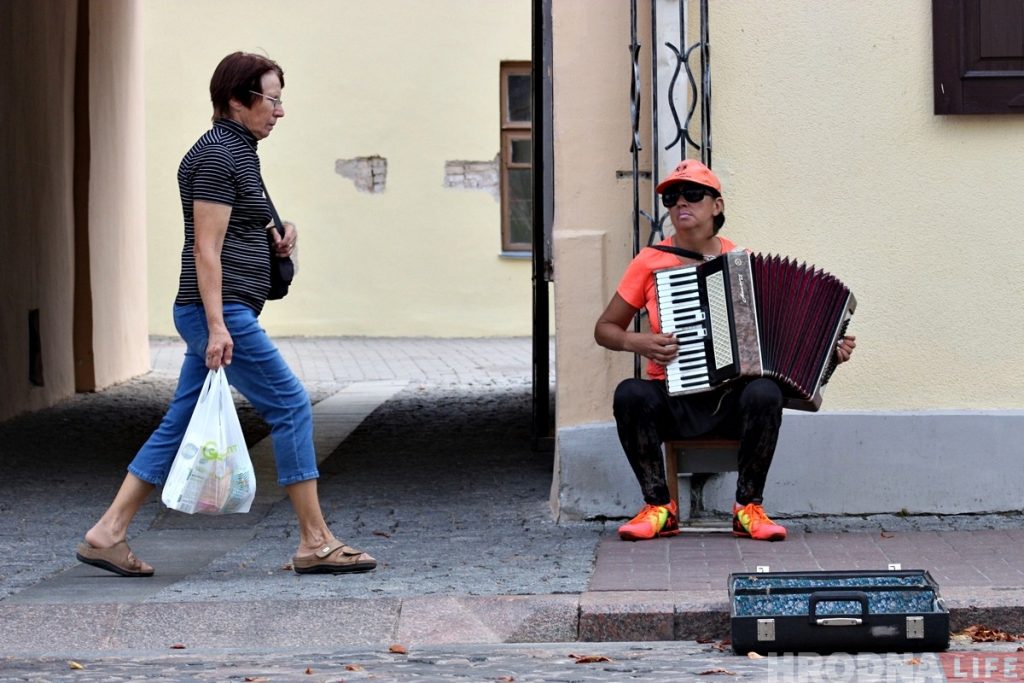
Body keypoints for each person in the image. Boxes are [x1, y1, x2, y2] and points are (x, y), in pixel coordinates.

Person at [75, 52, 376, 576]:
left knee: (179, 419)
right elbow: (205, 249)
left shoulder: (238, 152)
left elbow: (233, 234)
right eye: (272, 99)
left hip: (219, 308)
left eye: (281, 99)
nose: (280, 111)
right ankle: (315, 540)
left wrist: (275, 246)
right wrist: (217, 325)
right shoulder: (218, 155)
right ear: (237, 100)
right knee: (291, 405)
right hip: (217, 310)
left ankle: (108, 532)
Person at [594, 159, 856, 542]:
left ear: (716, 206)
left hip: (729, 404)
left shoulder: (741, 264)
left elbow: (777, 340)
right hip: (674, 401)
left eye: (693, 194)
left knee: (765, 391)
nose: (680, 202)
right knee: (630, 394)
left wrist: (828, 354)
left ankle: (748, 507)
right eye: (671, 197)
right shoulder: (649, 262)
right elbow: (605, 329)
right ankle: (659, 508)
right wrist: (638, 341)